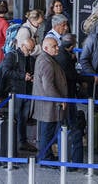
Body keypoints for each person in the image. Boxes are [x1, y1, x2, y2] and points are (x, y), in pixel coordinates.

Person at [33, 36, 67, 164]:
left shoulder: (45, 59)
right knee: (47, 132)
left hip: (47, 104)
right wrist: (60, 100)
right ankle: (45, 157)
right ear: (46, 48)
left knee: (46, 132)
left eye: (56, 45)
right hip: (49, 105)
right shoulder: (46, 62)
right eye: (54, 46)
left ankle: (46, 155)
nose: (57, 48)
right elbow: (48, 86)